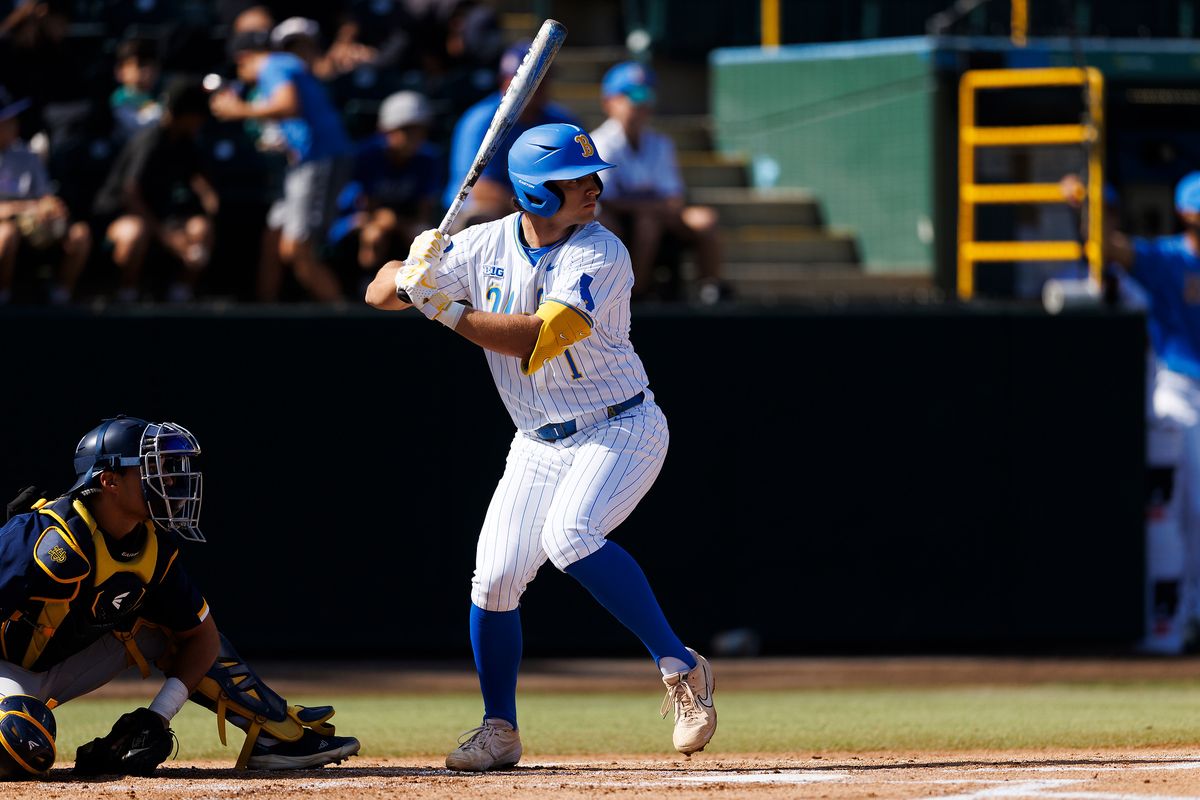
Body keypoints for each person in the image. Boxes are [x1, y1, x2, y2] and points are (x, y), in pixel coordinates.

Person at [365, 123, 717, 770]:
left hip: (619, 425)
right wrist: (410, 266)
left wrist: (442, 307)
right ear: (534, 195)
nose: (591, 188)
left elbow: (534, 339)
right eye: (573, 181)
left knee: (571, 536)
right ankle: (499, 728)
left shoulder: (603, 252)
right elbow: (379, 295)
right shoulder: (482, 243)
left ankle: (681, 666)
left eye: (591, 176)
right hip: (536, 441)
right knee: (494, 581)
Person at [0, 415, 360, 777]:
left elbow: (201, 639)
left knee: (182, 632)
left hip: (56, 666)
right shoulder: (40, 538)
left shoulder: (153, 550)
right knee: (19, 747)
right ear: (109, 480)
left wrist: (157, 717)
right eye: (153, 468)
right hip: (5, 670)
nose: (169, 479)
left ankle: (278, 740)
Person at [1074, 171, 1200, 653]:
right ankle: (1180, 617)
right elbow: (1111, 250)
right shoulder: (1166, 256)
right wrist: (1086, 205)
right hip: (1179, 388)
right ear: (1186, 215)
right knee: (1179, 507)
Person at [210, 28, 353, 302]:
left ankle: (342, 314)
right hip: (305, 163)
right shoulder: (284, 66)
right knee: (273, 238)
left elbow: (288, 105)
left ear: (244, 58)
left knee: (297, 249)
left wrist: (238, 110)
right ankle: (266, 310)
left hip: (320, 159)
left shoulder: (272, 64)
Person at [589, 62, 727, 304]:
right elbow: (603, 198)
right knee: (645, 221)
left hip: (655, 214)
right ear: (609, 102)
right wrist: (650, 206)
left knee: (705, 219)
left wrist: (655, 206)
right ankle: (635, 294)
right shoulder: (600, 141)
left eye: (646, 94)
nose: (640, 103)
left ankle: (710, 288)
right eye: (631, 94)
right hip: (615, 219)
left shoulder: (661, 143)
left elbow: (674, 197)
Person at [92, 78, 220, 303]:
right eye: (197, 115)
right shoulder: (148, 142)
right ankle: (125, 296)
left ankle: (181, 295)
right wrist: (166, 235)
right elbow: (130, 194)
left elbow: (196, 175)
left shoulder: (185, 140)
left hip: (163, 214)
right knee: (135, 233)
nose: (200, 122)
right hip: (122, 215)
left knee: (201, 228)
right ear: (184, 114)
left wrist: (207, 196)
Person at [441, 39, 580, 230]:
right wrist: (534, 206)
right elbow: (479, 188)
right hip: (493, 207)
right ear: (506, 81)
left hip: (545, 206)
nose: (539, 86)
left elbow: (579, 176)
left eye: (543, 78)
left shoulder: (561, 120)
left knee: (596, 219)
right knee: (481, 216)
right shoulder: (480, 121)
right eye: (531, 79)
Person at [328, 89, 443, 294]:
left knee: (425, 238)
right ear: (386, 131)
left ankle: (421, 294)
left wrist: (399, 222)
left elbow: (424, 210)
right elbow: (363, 207)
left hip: (401, 220)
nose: (413, 138)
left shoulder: (428, 159)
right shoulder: (367, 155)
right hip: (360, 220)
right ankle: (363, 290)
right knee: (374, 234)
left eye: (419, 131)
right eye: (406, 130)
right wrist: (384, 220)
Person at [0, 84, 91, 305]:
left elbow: (44, 194)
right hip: (7, 225)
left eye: (13, 119)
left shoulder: (27, 155)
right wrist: (24, 209)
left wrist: (52, 205)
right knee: (6, 234)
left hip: (33, 225)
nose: (14, 125)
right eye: (6, 120)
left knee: (80, 234)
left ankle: (61, 298)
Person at [109, 36, 163, 145]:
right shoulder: (120, 98)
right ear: (120, 70)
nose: (148, 71)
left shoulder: (158, 96)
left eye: (151, 65)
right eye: (140, 65)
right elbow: (135, 126)